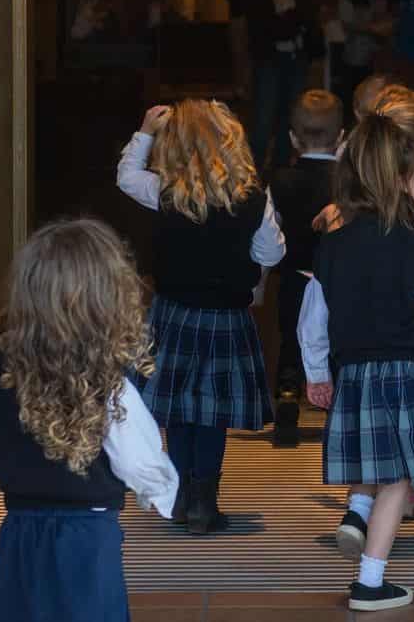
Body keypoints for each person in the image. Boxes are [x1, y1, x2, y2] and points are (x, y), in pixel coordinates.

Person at [0, 218, 179, 622]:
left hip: (20, 530)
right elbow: (136, 451)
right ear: (109, 298)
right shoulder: (108, 381)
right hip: (89, 535)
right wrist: (157, 490)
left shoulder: (3, 372)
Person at [299, 103, 414, 612]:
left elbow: (313, 318)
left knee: (379, 467)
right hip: (413, 374)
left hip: (354, 373)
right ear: (404, 178)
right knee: (399, 480)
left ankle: (358, 519)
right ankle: (370, 582)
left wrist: (316, 373)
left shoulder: (332, 247)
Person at [115, 100, 285, 532]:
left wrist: (144, 131)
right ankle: (204, 503)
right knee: (211, 412)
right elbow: (273, 251)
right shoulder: (252, 198)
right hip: (226, 318)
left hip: (172, 314)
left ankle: (176, 497)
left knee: (175, 409)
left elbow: (126, 177)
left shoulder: (167, 191)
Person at [266, 88, 345, 447]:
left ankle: (286, 395)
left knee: (290, 339)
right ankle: (340, 407)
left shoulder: (280, 179)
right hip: (339, 281)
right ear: (341, 137)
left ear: (293, 138)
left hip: (296, 275)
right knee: (338, 342)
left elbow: (269, 227)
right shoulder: (350, 181)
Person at [235, 0, 321, 170]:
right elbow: (259, 26)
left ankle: (280, 173)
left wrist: (291, 23)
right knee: (263, 120)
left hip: (295, 57)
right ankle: (253, 175)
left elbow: (306, 16)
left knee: (289, 119)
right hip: (269, 59)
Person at [336, 0, 403, 114]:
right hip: (358, 58)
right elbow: (345, 17)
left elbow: (404, 17)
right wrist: (371, 28)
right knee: (359, 110)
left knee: (387, 112)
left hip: (390, 59)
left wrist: (390, 26)